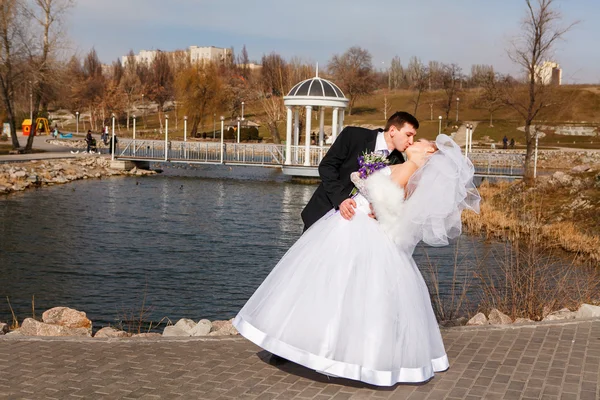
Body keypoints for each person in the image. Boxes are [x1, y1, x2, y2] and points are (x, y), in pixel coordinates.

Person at [233, 134, 480, 386]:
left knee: (335, 289)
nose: (413, 142)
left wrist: (368, 187)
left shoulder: (409, 168)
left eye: (419, 142)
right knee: (345, 292)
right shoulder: (406, 167)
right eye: (412, 137)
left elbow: (384, 198)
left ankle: (329, 352)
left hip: (358, 229)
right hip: (353, 223)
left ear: (426, 154)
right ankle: (328, 348)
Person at [301, 111, 418, 231]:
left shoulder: (398, 162)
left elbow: (391, 198)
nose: (411, 141)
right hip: (324, 212)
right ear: (393, 130)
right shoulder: (353, 135)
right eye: (408, 135)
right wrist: (341, 199)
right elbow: (327, 166)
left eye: (413, 136)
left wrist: (379, 213)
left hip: (359, 226)